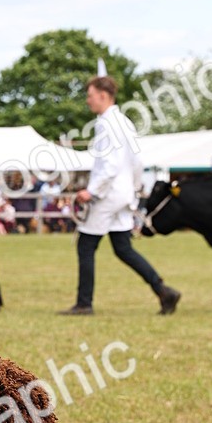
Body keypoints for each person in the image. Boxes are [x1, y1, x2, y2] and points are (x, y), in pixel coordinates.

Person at [59, 76, 180, 316]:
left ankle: (84, 303)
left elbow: (109, 164)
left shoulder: (105, 123)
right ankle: (164, 291)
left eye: (90, 95)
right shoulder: (124, 122)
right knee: (123, 248)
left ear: (103, 95)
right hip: (123, 195)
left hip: (107, 196)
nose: (88, 100)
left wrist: (91, 191)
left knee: (86, 245)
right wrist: (133, 190)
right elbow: (137, 161)